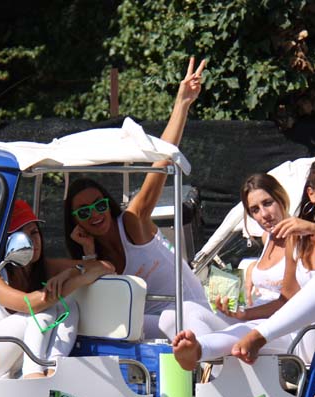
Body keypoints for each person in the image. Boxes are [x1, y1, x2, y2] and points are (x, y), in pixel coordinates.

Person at [172, 152, 315, 370]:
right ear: (312, 194)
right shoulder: (298, 237)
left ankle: (258, 336)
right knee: (243, 331)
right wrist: (245, 314)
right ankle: (199, 350)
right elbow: (287, 301)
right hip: (294, 333)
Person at [64, 57, 209, 339]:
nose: (95, 214)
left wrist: (182, 103)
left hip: (190, 316)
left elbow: (161, 163)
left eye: (99, 205)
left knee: (143, 323)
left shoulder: (132, 221)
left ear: (109, 205)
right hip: (149, 327)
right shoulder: (96, 257)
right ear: (75, 222)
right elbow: (104, 295)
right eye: (83, 212)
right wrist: (88, 251)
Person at [157, 173, 292, 338]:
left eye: (268, 203)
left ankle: (202, 352)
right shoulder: (268, 237)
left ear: (281, 198)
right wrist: (253, 267)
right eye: (255, 210)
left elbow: (290, 302)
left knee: (193, 318)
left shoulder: (301, 240)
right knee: (171, 315)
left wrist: (245, 314)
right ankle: (200, 351)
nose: (264, 214)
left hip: (273, 325)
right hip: (251, 315)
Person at [0, 201, 113, 378]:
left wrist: (72, 272)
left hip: (17, 356)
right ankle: (33, 374)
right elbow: (29, 304)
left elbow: (106, 266)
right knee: (44, 310)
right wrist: (78, 281)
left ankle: (52, 368)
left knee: (68, 304)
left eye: (34, 232)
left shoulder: (44, 266)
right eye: (22, 237)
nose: (33, 241)